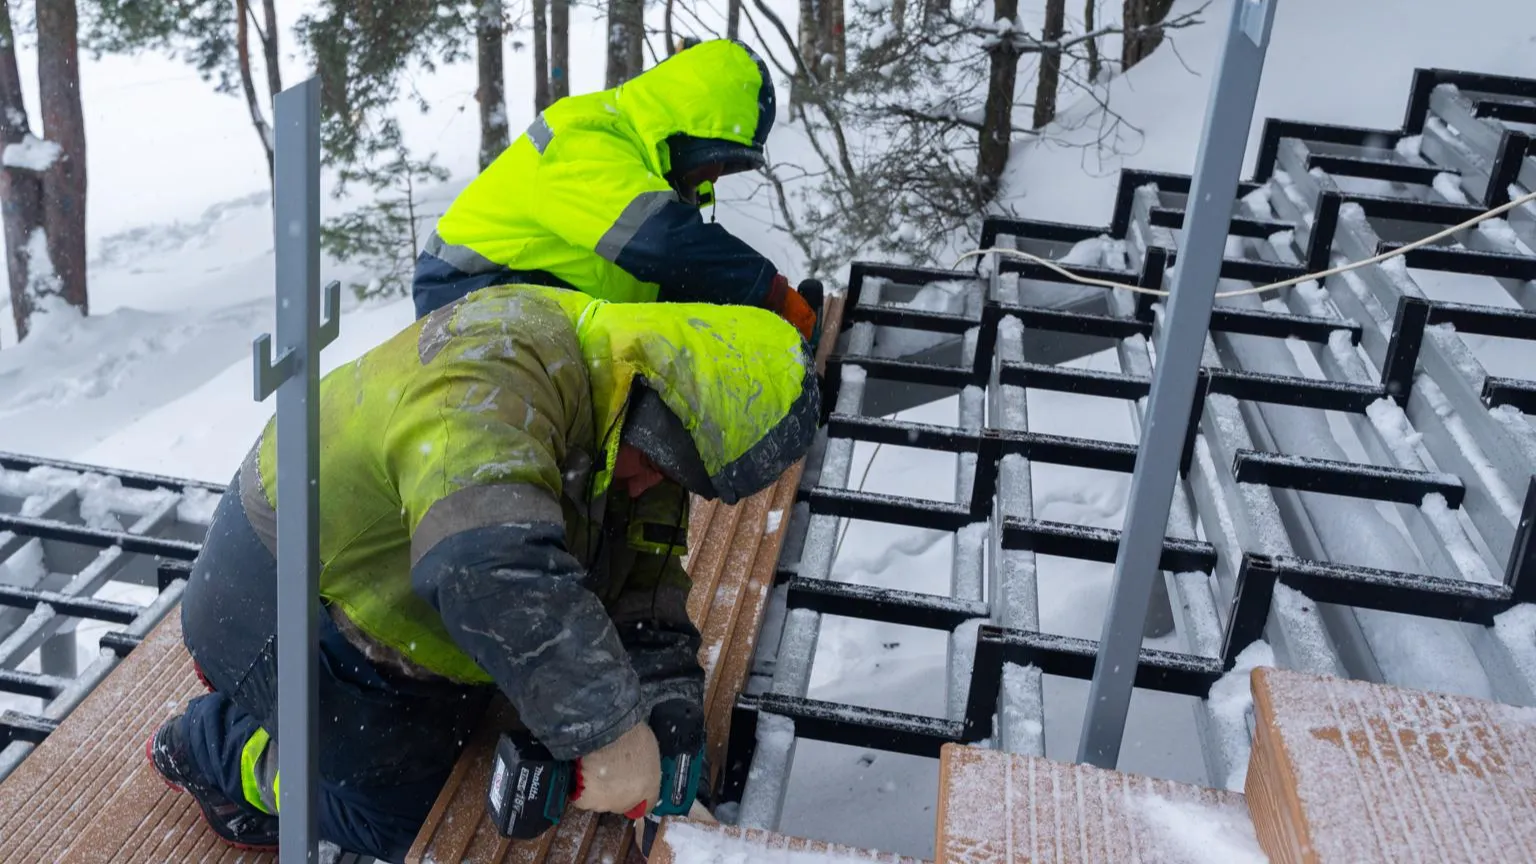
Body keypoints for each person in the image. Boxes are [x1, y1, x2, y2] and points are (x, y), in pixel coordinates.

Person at [146, 284, 820, 861]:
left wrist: (665, 706)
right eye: (659, 468)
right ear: (652, 405)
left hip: (387, 593)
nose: (652, 488)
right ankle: (215, 746)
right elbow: (480, 560)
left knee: (499, 735)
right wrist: (610, 729)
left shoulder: (644, 421)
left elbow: (643, 580)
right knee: (416, 822)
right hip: (280, 594)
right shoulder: (498, 368)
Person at [411, 38, 819, 344]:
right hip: (465, 297)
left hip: (535, 297)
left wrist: (749, 315)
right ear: (689, 135)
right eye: (721, 159)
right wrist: (769, 292)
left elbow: (670, 280)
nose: (716, 176)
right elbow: (665, 244)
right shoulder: (585, 138)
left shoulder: (650, 168)